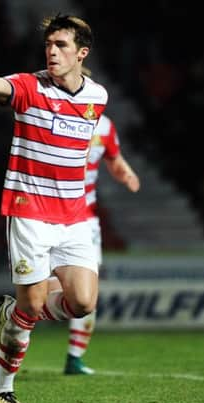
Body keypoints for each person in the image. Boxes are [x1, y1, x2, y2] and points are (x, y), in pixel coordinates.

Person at [0, 14, 108, 403]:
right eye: (49, 45)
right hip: (30, 213)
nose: (52, 52)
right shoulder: (29, 86)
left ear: (82, 53)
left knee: (83, 303)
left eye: (61, 45)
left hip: (74, 217)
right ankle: (0, 391)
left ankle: (18, 311)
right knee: (32, 307)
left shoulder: (98, 97)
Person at [59, 110, 140, 375]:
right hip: (49, 214)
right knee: (40, 289)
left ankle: (75, 357)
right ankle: (16, 330)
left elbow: (115, 159)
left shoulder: (105, 126)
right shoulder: (57, 116)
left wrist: (126, 174)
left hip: (86, 219)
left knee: (90, 289)